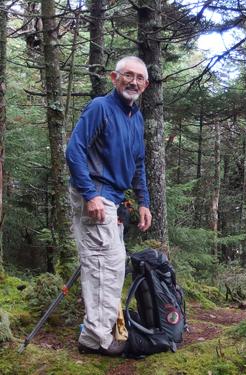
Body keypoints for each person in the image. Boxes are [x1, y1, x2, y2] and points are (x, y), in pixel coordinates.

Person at [66, 56, 152, 356]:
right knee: (105, 264)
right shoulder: (100, 108)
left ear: (146, 84)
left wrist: (144, 202)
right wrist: (90, 196)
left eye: (140, 78)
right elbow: (74, 150)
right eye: (128, 75)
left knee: (109, 265)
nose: (134, 82)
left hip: (113, 198)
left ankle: (98, 331)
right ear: (114, 78)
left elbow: (138, 162)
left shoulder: (135, 116)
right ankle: (96, 338)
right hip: (96, 195)